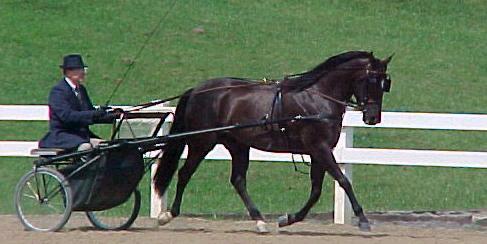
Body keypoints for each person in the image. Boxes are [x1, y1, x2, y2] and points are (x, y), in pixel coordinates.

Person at [39, 54, 120, 151]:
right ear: (68, 72)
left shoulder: (81, 89)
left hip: (81, 135)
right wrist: (94, 113)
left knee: (106, 146)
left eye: (82, 69)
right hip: (63, 135)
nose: (82, 72)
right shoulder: (58, 91)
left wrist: (111, 115)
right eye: (78, 70)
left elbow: (89, 113)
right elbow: (67, 116)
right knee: (86, 147)